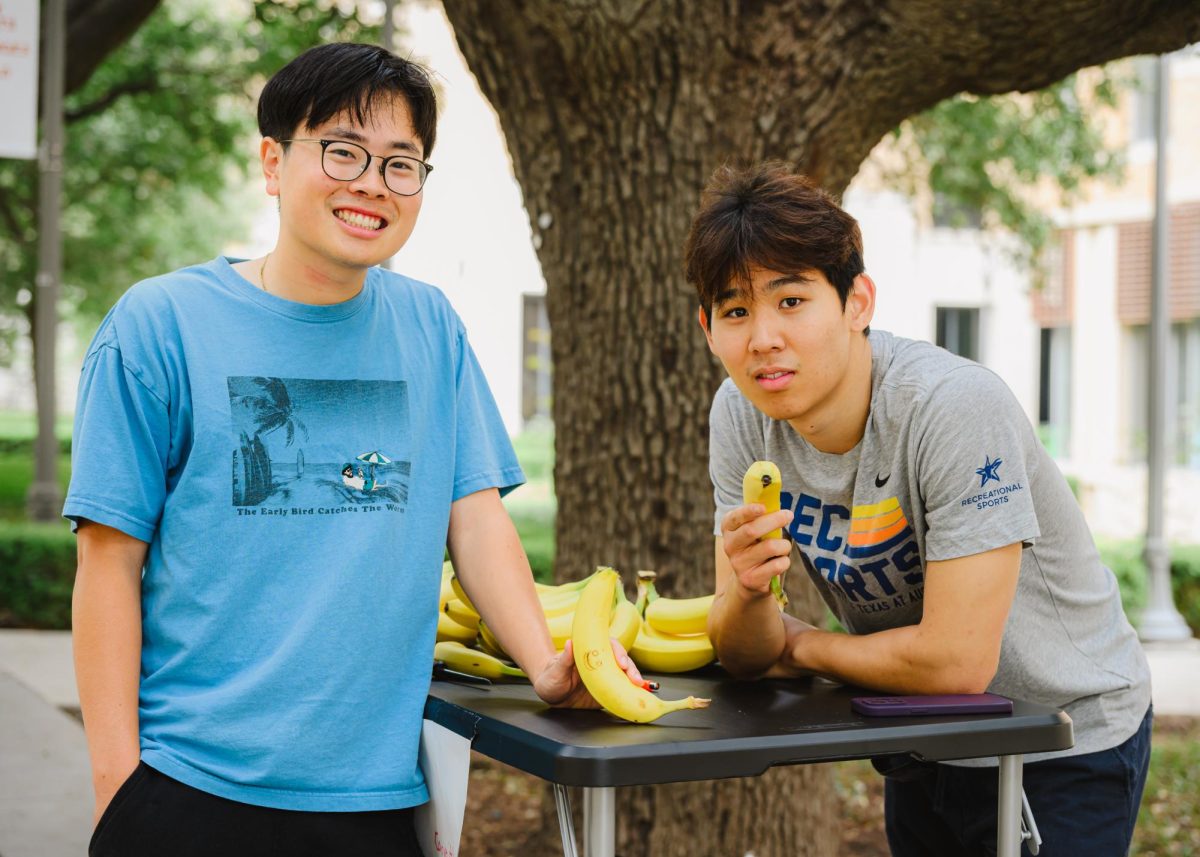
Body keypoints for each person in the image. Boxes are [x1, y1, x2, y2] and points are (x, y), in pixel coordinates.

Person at [66, 42, 638, 857]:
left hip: (374, 803)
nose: (371, 182)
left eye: (401, 163)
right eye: (342, 150)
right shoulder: (158, 326)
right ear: (272, 161)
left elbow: (474, 521)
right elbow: (108, 564)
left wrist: (547, 664)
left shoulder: (430, 326)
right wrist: (118, 794)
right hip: (188, 787)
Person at [687, 163, 1152, 856]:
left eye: (791, 301)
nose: (762, 338)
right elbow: (747, 652)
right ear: (708, 329)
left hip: (1060, 734)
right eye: (735, 311)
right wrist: (754, 597)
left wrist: (805, 644)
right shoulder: (742, 416)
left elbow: (957, 662)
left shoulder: (952, 407)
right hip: (919, 729)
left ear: (857, 302)